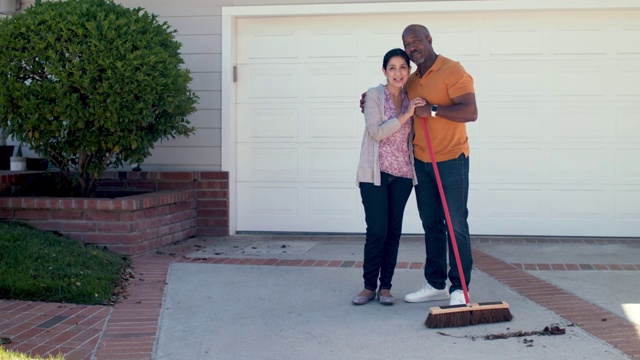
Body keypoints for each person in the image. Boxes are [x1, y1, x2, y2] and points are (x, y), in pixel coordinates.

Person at [360, 24, 478, 306]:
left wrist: (434, 110)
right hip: (421, 163)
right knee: (431, 225)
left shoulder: (453, 70)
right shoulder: (410, 80)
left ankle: (459, 287)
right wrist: (367, 100)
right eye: (406, 42)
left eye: (415, 41)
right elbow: (389, 98)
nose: (411, 46)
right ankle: (436, 283)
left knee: (456, 224)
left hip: (451, 159)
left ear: (429, 40)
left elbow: (471, 111)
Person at [352, 48, 426, 306]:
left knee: (393, 232)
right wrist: (406, 115)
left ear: (409, 71)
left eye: (403, 67)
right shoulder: (373, 95)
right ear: (384, 71)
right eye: (392, 68)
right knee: (377, 231)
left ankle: (386, 287)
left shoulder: (411, 97)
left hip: (403, 175)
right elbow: (376, 132)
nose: (397, 72)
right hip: (375, 175)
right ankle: (368, 286)